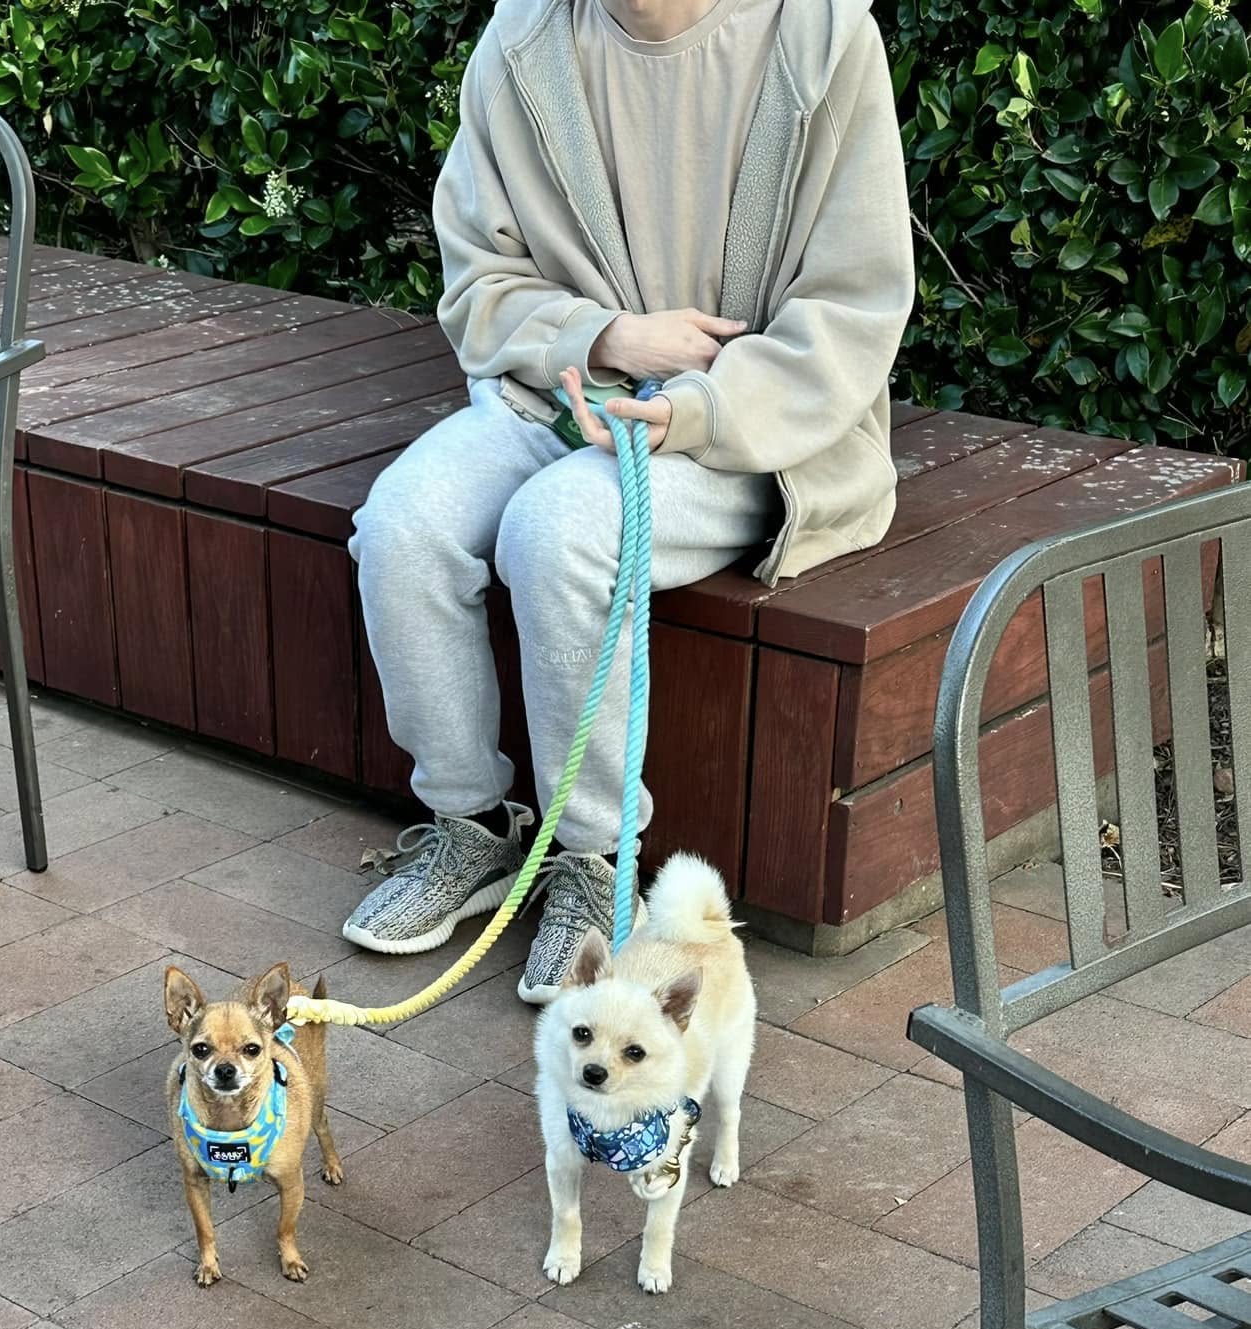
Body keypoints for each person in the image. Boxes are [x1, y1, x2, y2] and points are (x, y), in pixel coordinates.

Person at [343, 0, 916, 1001]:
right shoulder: (522, 41)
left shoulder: (820, 38)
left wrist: (691, 405)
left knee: (557, 527)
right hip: (556, 392)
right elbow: (478, 280)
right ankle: (471, 825)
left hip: (749, 429)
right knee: (402, 523)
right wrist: (607, 336)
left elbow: (851, 309)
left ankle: (594, 860)